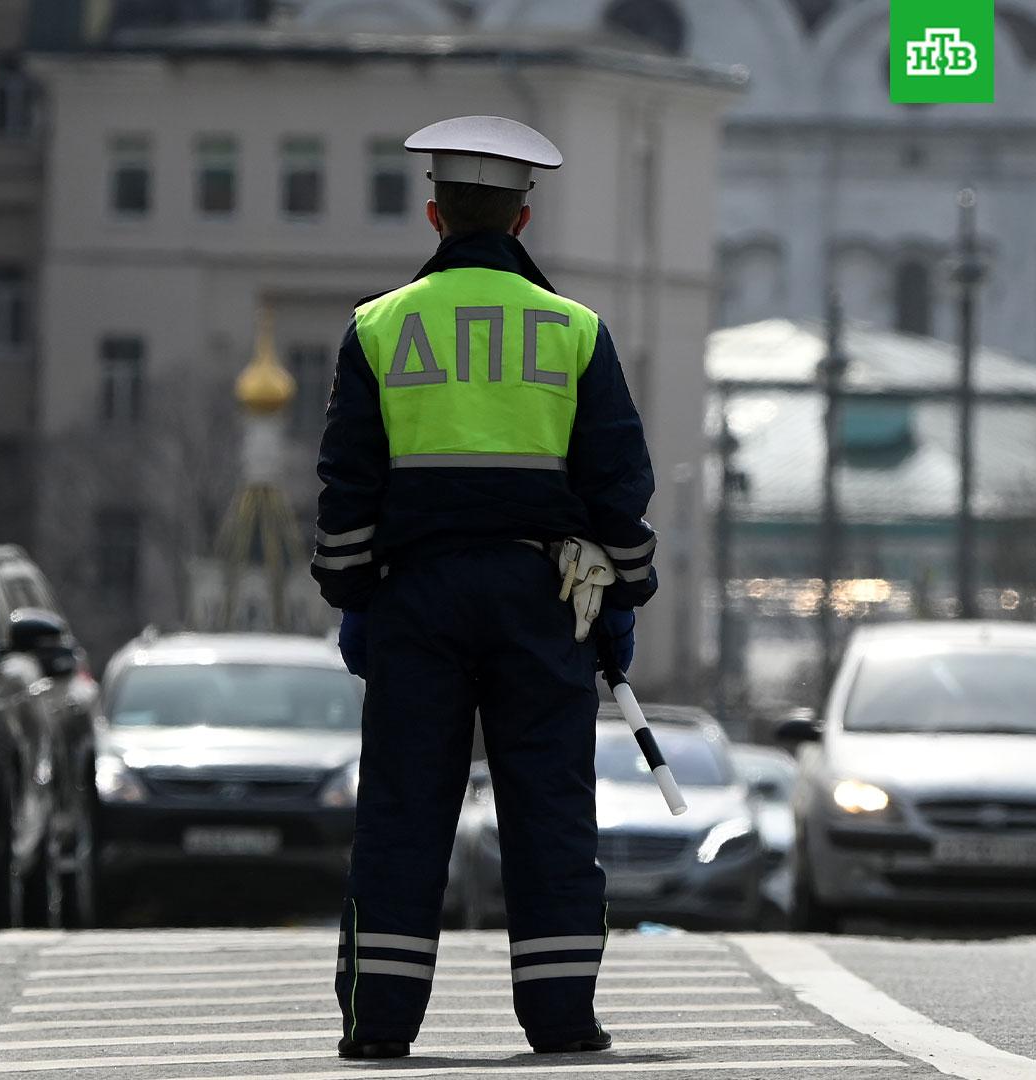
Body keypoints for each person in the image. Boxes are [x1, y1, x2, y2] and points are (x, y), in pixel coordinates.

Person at [312, 116, 659, 1059]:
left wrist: (355, 602)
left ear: (434, 213)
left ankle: (380, 1025)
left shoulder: (376, 328)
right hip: (540, 596)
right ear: (521, 221)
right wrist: (618, 604)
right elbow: (617, 485)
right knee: (548, 806)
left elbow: (348, 484)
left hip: (414, 598)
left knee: (402, 811)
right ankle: (559, 1018)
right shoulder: (574, 331)